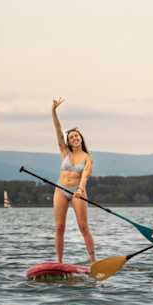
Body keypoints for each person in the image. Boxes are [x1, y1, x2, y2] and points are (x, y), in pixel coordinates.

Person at [50, 97, 96, 264]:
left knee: (83, 227)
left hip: (78, 192)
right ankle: (59, 262)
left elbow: (85, 176)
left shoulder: (87, 158)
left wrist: (81, 189)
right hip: (60, 189)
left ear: (81, 139)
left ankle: (93, 261)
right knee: (59, 227)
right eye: (71, 137)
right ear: (68, 141)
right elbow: (58, 129)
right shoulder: (64, 152)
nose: (75, 138)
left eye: (77, 136)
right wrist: (53, 111)